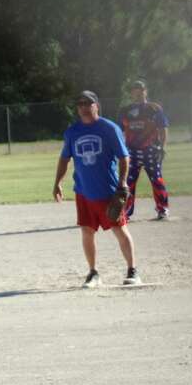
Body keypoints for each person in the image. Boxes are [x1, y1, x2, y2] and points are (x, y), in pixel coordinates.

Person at [53, 89, 141, 288]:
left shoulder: (109, 128)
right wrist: (57, 182)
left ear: (96, 105)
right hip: (83, 191)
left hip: (108, 191)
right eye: (80, 104)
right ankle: (93, 273)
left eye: (88, 103)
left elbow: (124, 156)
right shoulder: (72, 132)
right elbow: (65, 159)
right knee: (86, 231)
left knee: (119, 229)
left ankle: (133, 271)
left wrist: (123, 182)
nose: (84, 107)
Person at [117, 79, 170, 220]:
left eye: (141, 89)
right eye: (135, 89)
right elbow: (119, 131)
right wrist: (121, 150)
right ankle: (126, 212)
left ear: (146, 91)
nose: (138, 92)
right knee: (128, 182)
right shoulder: (125, 111)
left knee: (157, 179)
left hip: (151, 150)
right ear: (131, 93)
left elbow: (163, 128)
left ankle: (162, 209)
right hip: (131, 152)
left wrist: (162, 147)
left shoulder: (154, 108)